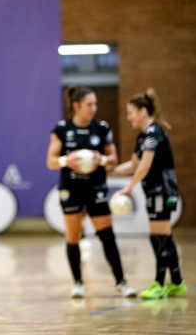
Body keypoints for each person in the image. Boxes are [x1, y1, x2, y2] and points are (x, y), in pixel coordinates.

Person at [46, 87, 137, 298]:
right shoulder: (61, 129)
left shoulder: (101, 128)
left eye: (95, 104)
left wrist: (101, 160)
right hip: (71, 188)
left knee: (107, 235)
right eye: (89, 104)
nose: (93, 108)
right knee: (73, 236)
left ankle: (121, 283)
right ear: (76, 105)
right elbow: (50, 161)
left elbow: (113, 159)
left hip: (95, 187)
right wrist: (66, 161)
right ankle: (78, 283)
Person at [112, 88, 187, 300]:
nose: (128, 118)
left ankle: (159, 284)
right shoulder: (143, 136)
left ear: (143, 111)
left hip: (162, 191)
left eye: (131, 113)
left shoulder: (154, 134)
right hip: (155, 191)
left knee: (158, 237)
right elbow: (134, 164)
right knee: (164, 236)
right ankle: (178, 282)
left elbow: (144, 167)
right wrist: (108, 170)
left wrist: (128, 188)